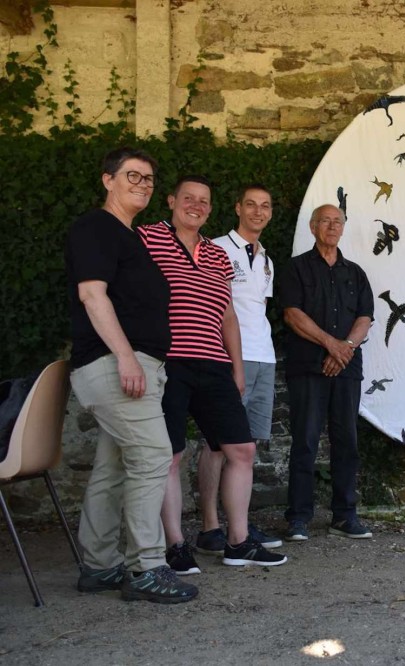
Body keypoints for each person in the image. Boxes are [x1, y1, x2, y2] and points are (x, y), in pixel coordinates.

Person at [65, 147, 197, 603]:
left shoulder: (128, 236)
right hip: (117, 364)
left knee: (114, 467)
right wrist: (125, 357)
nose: (142, 184)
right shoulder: (96, 228)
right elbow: (92, 295)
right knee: (154, 456)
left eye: (148, 180)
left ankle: (100, 567)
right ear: (108, 180)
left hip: (131, 364)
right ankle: (147, 566)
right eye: (132, 176)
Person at [138, 176, 287, 572]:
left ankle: (237, 542)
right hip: (168, 362)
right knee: (170, 455)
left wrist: (236, 368)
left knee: (242, 449)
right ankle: (175, 545)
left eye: (204, 200)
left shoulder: (217, 257)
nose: (196, 205)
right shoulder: (149, 238)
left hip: (215, 364)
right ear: (171, 201)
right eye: (188, 198)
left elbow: (228, 316)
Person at [194, 184, 283, 556]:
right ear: (237, 208)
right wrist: (226, 359)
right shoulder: (213, 248)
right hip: (228, 357)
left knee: (246, 447)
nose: (257, 212)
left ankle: (239, 529)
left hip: (264, 357)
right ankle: (210, 527)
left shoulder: (266, 259)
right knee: (217, 444)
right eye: (251, 205)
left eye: (265, 206)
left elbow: (256, 309)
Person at [282, 205, 374, 541]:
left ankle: (344, 515)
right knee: (305, 440)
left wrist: (344, 347)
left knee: (346, 441)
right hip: (308, 366)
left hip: (346, 368)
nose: (332, 226)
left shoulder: (356, 273)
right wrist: (331, 345)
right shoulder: (296, 269)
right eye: (325, 221)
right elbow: (292, 314)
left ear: (343, 228)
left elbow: (365, 318)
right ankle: (298, 518)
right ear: (312, 227)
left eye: (338, 222)